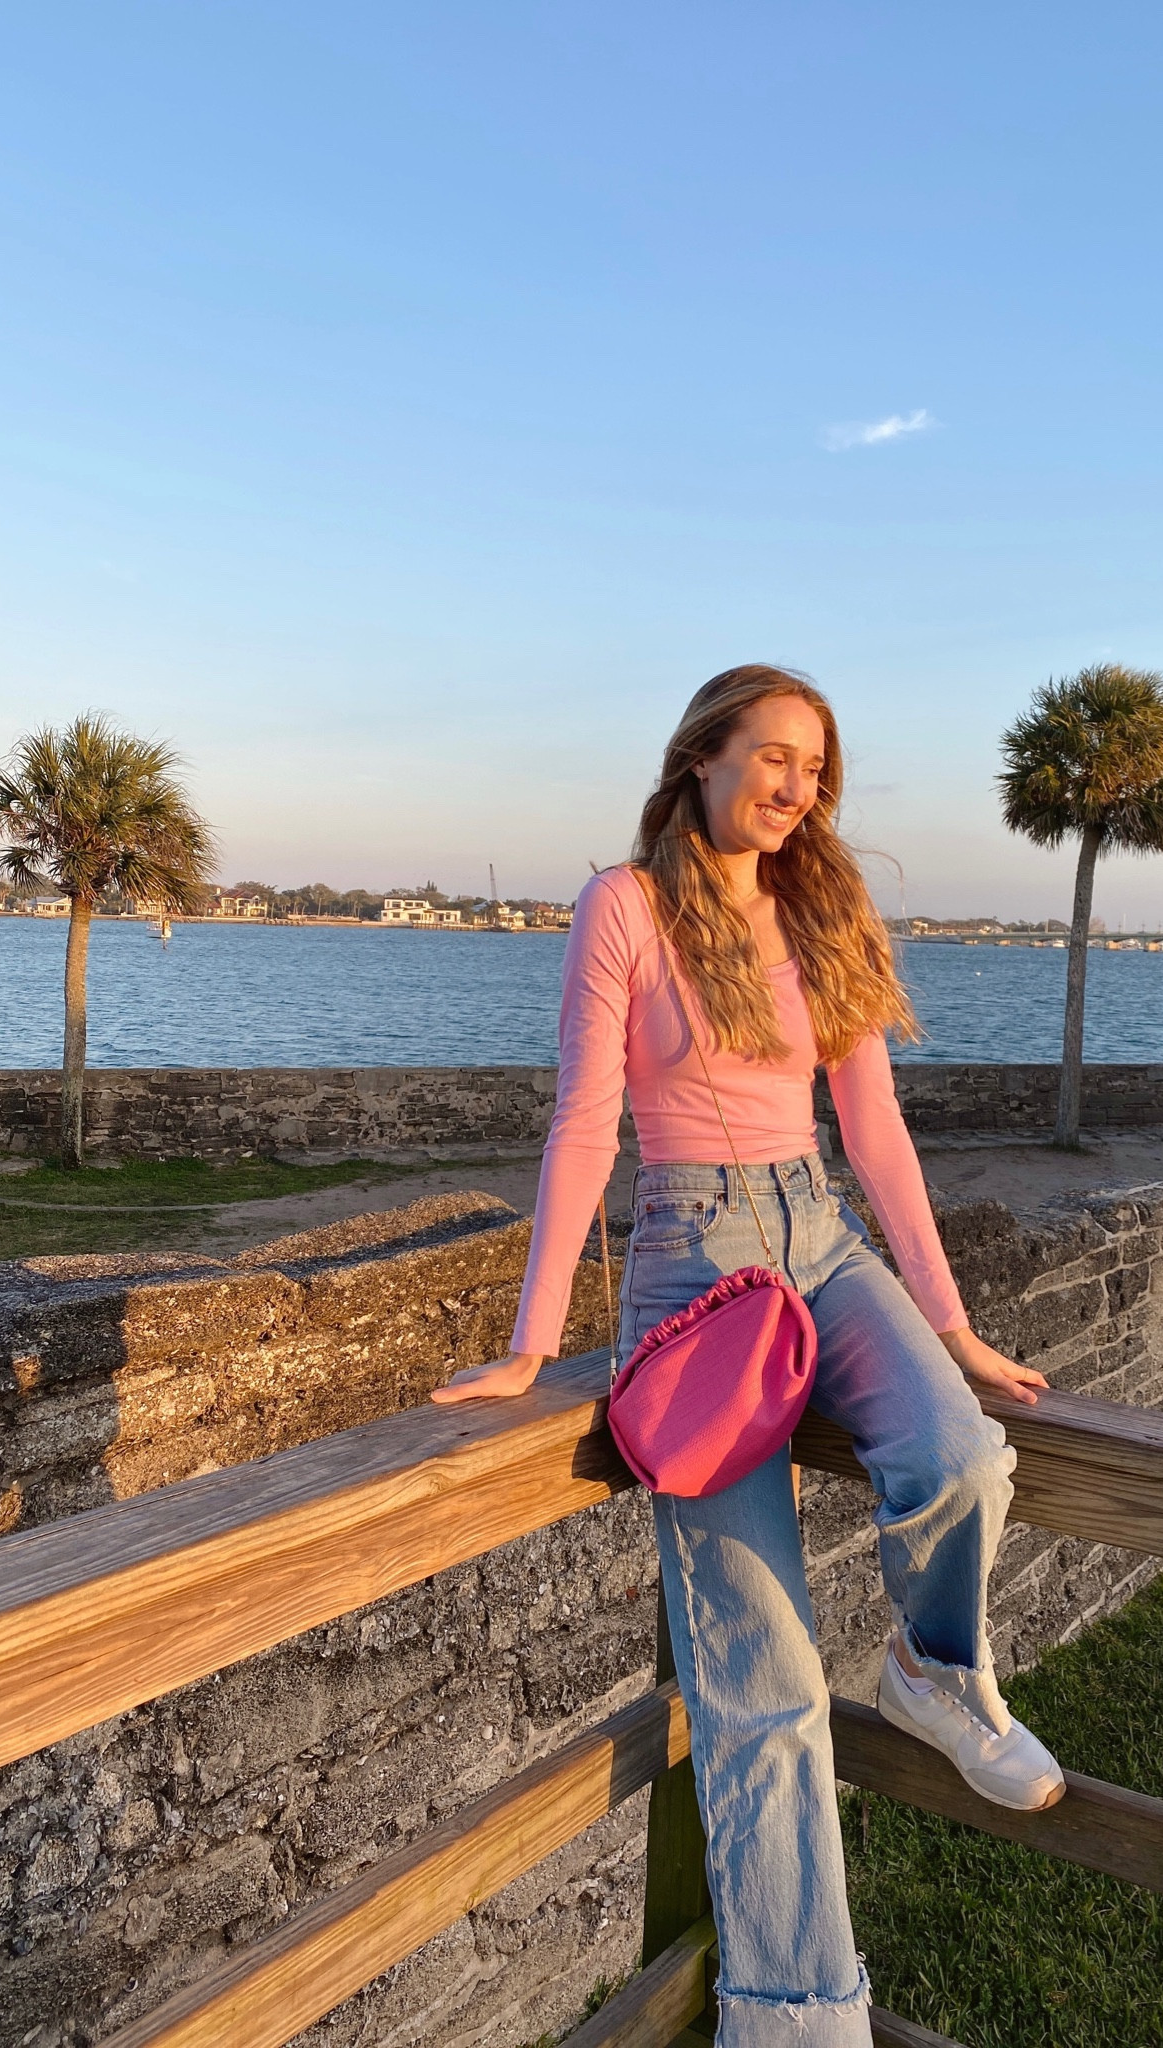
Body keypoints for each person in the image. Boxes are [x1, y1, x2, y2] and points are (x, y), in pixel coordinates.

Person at [433, 665, 1064, 2048]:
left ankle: (936, 1670)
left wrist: (951, 1319)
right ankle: (795, 2011)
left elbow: (878, 1133)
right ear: (702, 758)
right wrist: (535, 1341)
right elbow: (584, 1123)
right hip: (688, 1265)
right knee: (759, 1674)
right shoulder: (628, 905)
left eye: (814, 768)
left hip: (822, 1239)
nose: (795, 787)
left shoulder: (822, 905)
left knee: (959, 1454)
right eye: (772, 757)